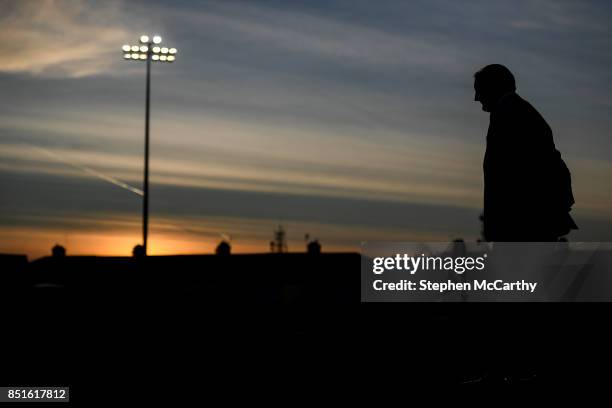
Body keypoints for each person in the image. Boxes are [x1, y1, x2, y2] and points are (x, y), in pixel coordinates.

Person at [474, 64, 578, 242]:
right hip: (525, 222)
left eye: (479, 90)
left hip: (522, 225)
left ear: (493, 87)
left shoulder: (510, 113)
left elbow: (510, 175)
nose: (476, 98)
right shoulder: (516, 111)